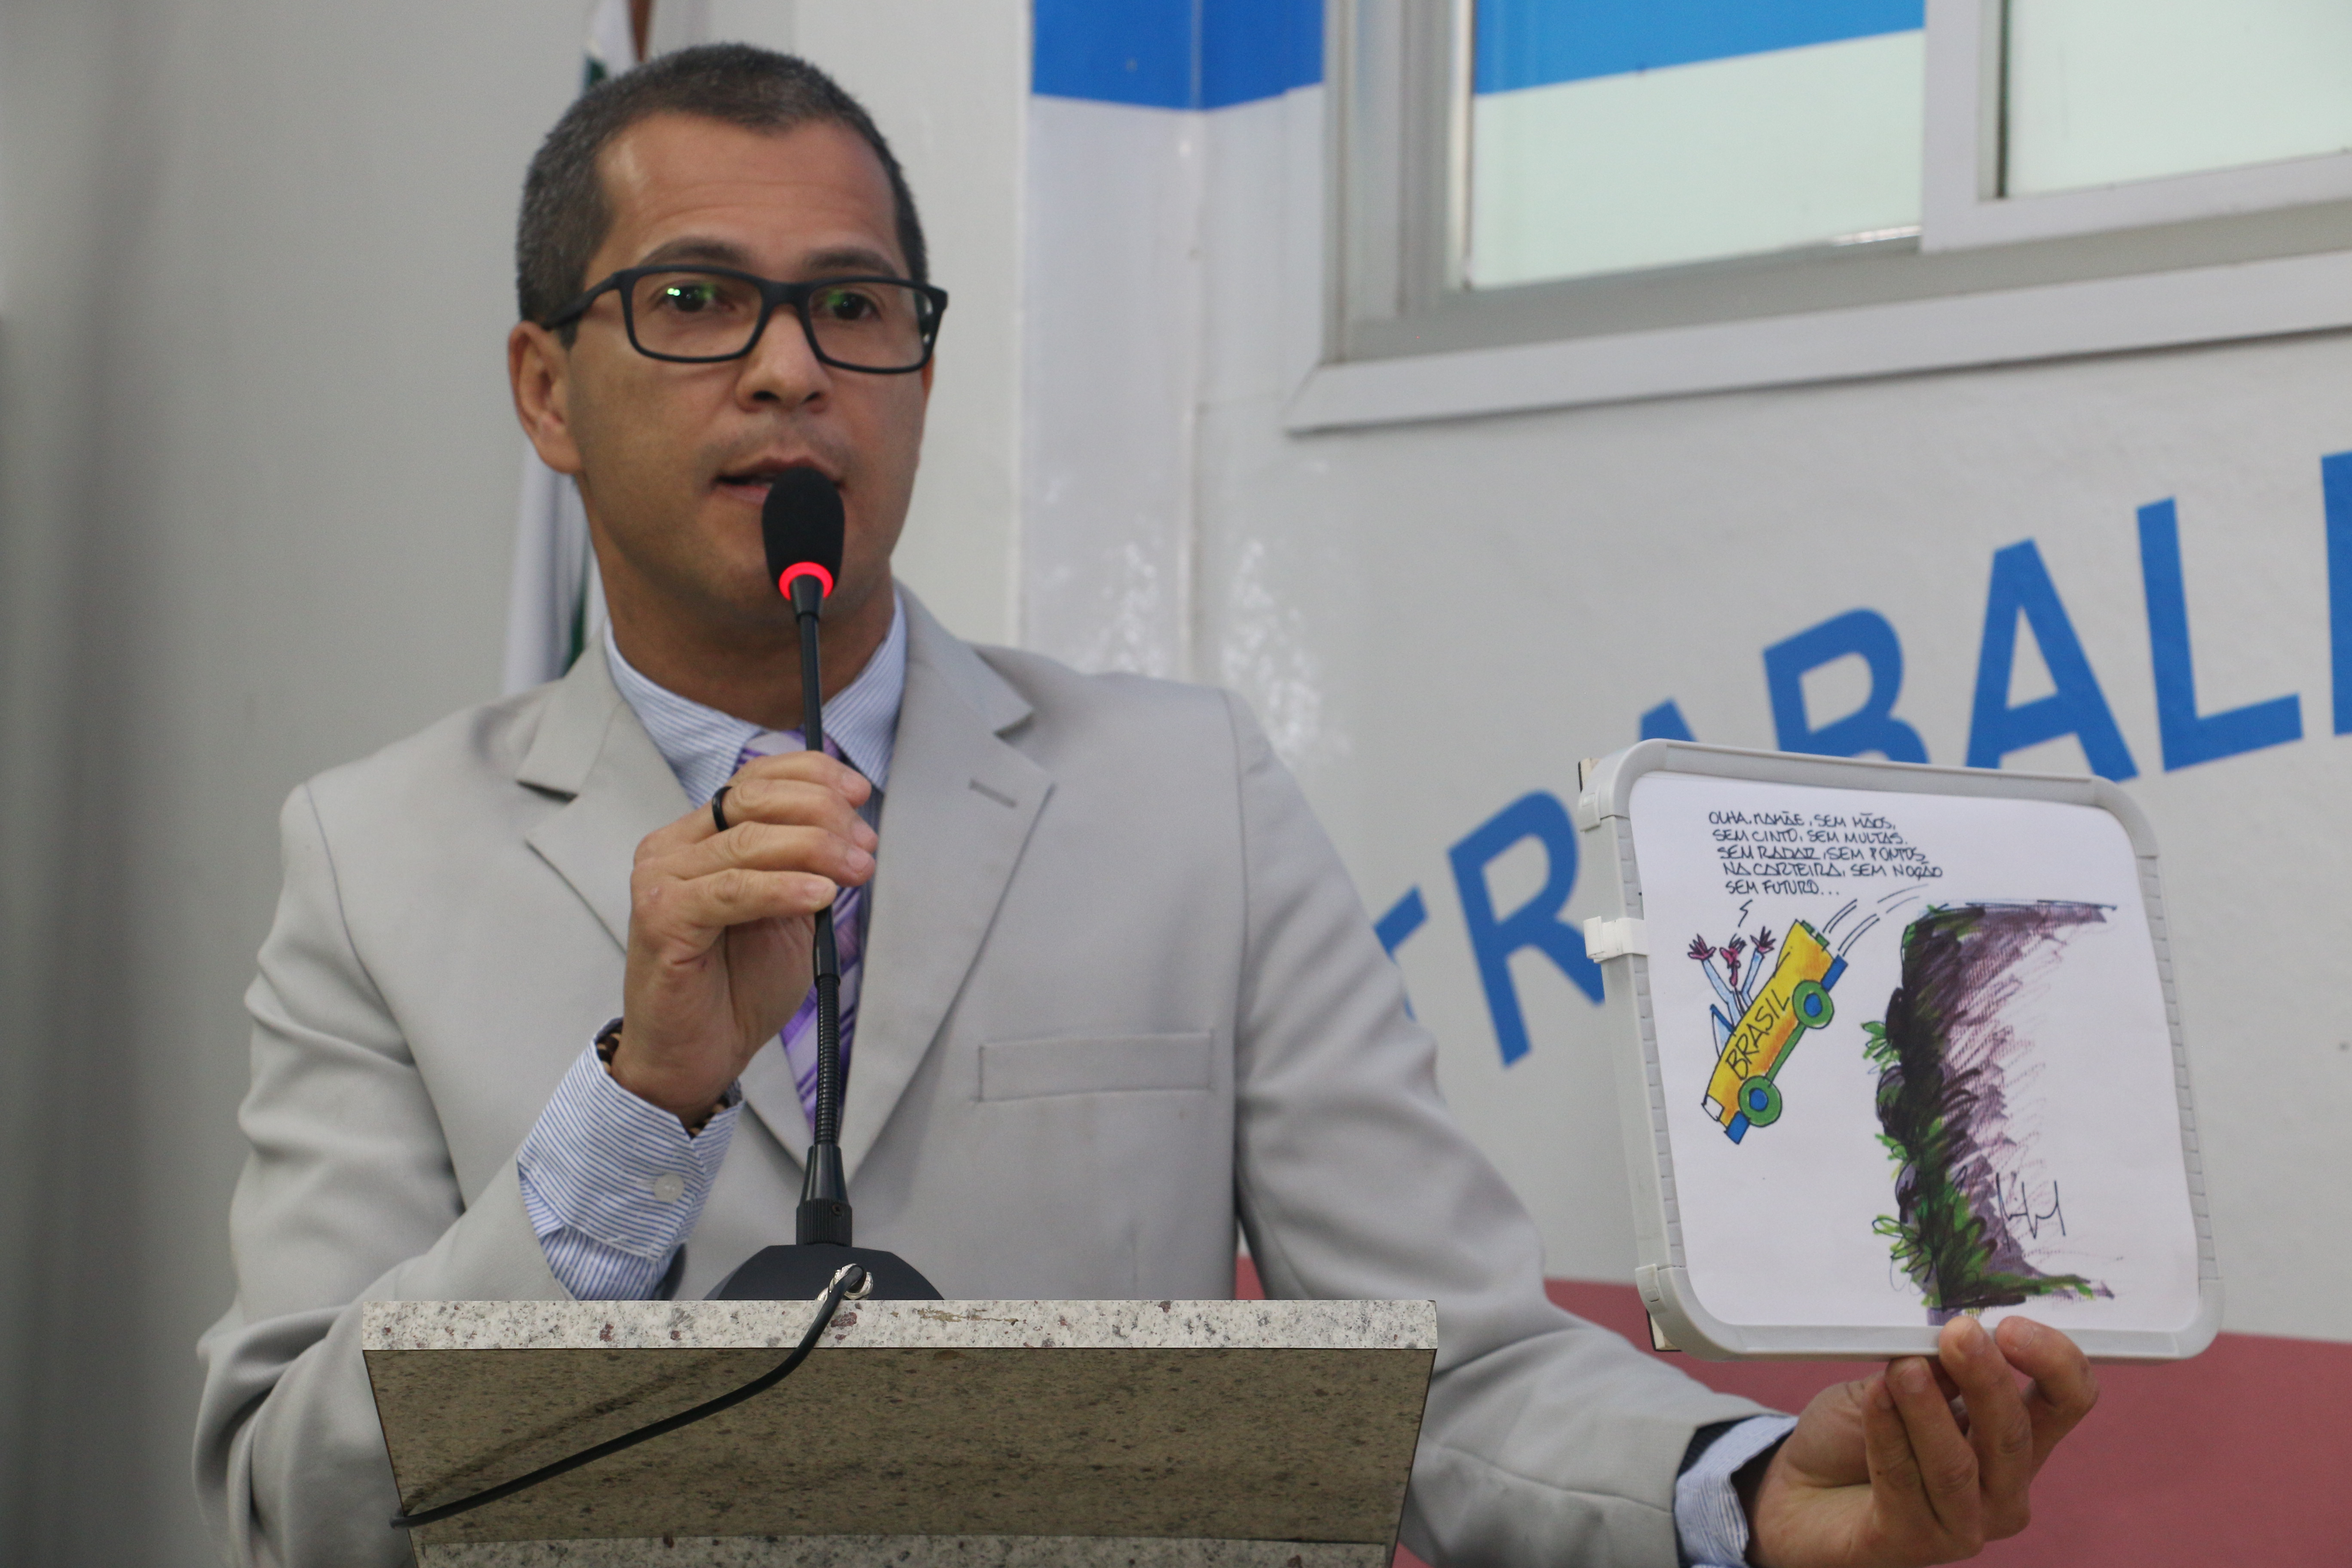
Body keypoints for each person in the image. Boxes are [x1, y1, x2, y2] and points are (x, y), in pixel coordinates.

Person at [193, 44, 2096, 1568]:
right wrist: (639, 1108)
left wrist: (1744, 1501)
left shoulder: (1193, 797)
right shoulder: (374, 861)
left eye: (853, 306)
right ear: (546, 388)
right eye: (696, 302)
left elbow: (1442, 1371)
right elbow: (303, 1497)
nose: (789, 368)